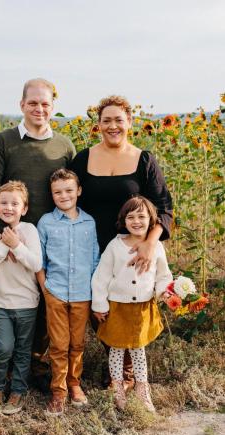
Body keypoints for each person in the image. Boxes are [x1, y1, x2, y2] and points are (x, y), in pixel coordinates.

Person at [0, 78, 76, 391]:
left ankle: (35, 361)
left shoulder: (64, 146)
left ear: (52, 108)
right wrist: (5, 235)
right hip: (12, 237)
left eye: (45, 103)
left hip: (52, 239)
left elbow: (71, 190)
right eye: (32, 102)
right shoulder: (4, 141)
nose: (39, 108)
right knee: (15, 299)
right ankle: (9, 366)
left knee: (50, 301)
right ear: (22, 105)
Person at [70, 95, 173, 389]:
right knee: (99, 305)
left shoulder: (144, 160)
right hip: (92, 246)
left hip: (132, 249)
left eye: (119, 119)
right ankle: (115, 361)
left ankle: (126, 370)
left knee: (130, 305)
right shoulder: (84, 158)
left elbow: (164, 206)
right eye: (106, 120)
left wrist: (151, 242)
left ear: (129, 122)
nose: (113, 126)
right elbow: (67, 196)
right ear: (98, 125)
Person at [92, 196, 173, 411]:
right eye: (131, 217)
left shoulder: (155, 247)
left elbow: (163, 275)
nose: (136, 221)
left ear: (151, 219)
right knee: (116, 349)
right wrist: (100, 304)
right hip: (118, 307)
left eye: (141, 216)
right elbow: (101, 277)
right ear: (123, 221)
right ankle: (117, 388)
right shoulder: (115, 245)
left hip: (143, 308)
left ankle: (142, 389)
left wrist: (165, 292)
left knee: (138, 350)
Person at [36, 169, 100, 416]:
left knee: (77, 343)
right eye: (58, 192)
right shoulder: (46, 222)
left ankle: (75, 384)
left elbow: (95, 259)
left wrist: (95, 292)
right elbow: (39, 261)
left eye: (69, 190)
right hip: (57, 291)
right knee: (59, 345)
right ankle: (58, 391)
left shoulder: (89, 222)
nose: (64, 196)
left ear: (79, 191)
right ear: (52, 195)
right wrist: (46, 290)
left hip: (83, 293)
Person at [0, 181, 42, 414]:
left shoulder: (30, 231)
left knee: (23, 351)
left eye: (15, 203)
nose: (9, 207)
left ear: (24, 209)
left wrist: (16, 245)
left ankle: (17, 391)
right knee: (4, 348)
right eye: (3, 203)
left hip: (26, 303)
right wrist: (3, 247)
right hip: (0, 302)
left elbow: (36, 263)